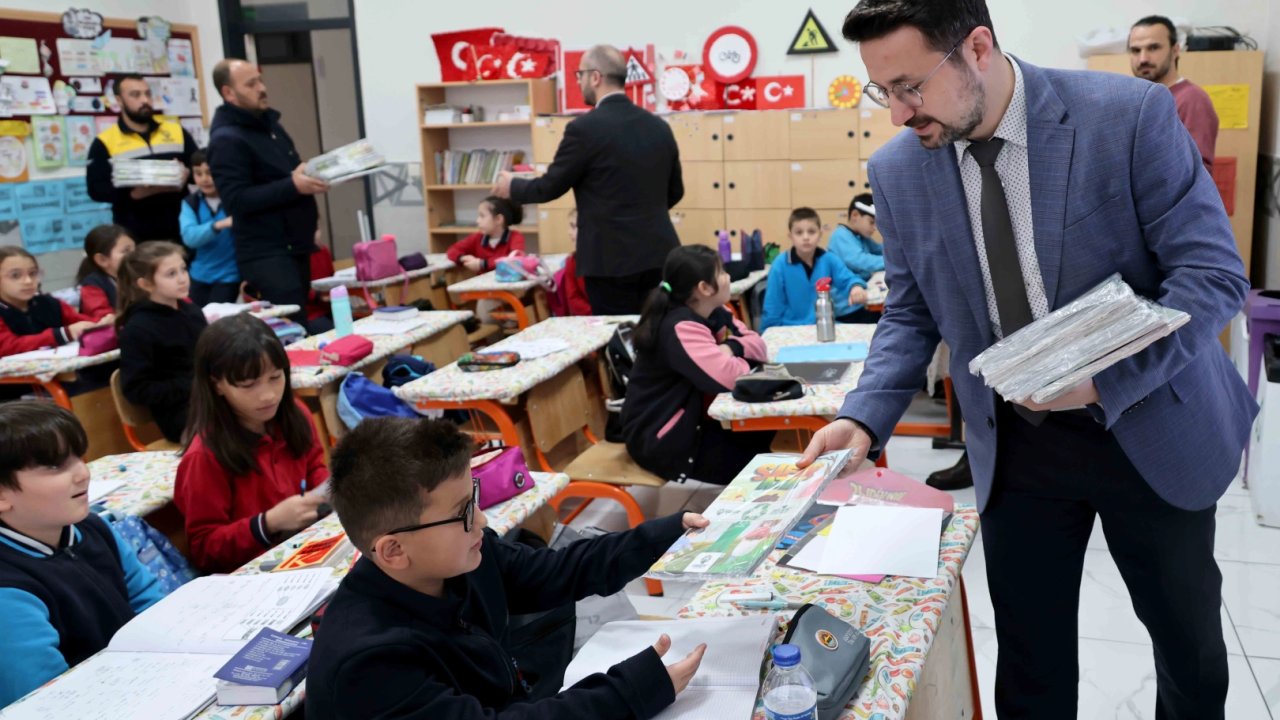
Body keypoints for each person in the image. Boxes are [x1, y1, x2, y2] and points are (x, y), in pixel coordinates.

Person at [799, 2, 1254, 717]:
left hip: (1148, 425)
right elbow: (913, 311)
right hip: (1019, 447)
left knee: (1187, 648)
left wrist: (1104, 380)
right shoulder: (899, 170)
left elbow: (1212, 276)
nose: (896, 114)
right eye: (882, 91)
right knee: (1032, 664)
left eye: (911, 87)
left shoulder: (1123, 117)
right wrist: (864, 418)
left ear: (977, 48)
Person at [306, 416, 710, 720]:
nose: (481, 520)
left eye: (474, 497)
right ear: (393, 550)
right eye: (463, 512)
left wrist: (665, 535)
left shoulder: (461, 561)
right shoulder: (370, 664)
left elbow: (559, 570)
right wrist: (631, 691)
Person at [493, 45, 683, 315]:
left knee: (618, 340)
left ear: (595, 77)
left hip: (609, 261)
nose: (579, 82)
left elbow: (549, 187)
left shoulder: (583, 129)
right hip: (659, 254)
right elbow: (676, 191)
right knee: (658, 336)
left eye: (579, 75)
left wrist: (512, 185)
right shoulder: (659, 127)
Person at [0, 403, 165, 706]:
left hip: (141, 683)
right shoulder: (8, 590)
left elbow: (149, 602)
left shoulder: (91, 527)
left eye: (79, 457)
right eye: (55, 466)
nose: (82, 473)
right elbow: (47, 701)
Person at [175, 314, 328, 572]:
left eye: (275, 377)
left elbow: (314, 466)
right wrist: (268, 523)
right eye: (249, 385)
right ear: (217, 386)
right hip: (252, 576)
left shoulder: (296, 414)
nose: (268, 395)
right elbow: (204, 549)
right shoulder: (204, 456)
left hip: (304, 549)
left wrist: (324, 493)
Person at [622, 245, 773, 485]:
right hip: (663, 439)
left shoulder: (716, 310)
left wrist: (731, 349)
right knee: (762, 465)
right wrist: (737, 357)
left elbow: (758, 346)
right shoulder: (680, 326)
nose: (728, 277)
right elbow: (731, 377)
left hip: (696, 422)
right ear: (704, 288)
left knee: (769, 431)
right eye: (721, 272)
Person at [206, 59, 328, 323]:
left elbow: (286, 175)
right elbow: (237, 199)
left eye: (260, 80)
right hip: (267, 252)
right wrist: (293, 184)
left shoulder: (269, 125)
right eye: (251, 84)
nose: (262, 88)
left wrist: (307, 175)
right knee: (290, 329)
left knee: (300, 322)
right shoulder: (226, 139)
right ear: (229, 93)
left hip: (295, 244)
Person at [86, 74, 198, 242]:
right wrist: (134, 194)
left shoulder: (176, 131)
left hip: (181, 227)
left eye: (147, 94)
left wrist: (187, 175)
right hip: (136, 233)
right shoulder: (104, 142)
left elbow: (200, 167)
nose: (145, 100)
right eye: (135, 95)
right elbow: (96, 190)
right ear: (119, 100)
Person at [116, 242, 208, 444]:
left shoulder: (192, 312)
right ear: (146, 284)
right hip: (182, 417)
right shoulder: (138, 329)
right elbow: (136, 389)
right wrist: (194, 384)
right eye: (171, 274)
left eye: (183, 270)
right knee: (242, 426)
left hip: (212, 402)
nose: (182, 278)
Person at [1129, 15, 1219, 173]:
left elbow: (1196, 172)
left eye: (1153, 48)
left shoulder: (1192, 99)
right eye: (1136, 50)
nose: (1143, 59)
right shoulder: (1138, 101)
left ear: (1175, 50)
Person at [759, 208, 869, 331]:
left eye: (811, 232)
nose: (806, 237)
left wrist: (855, 287)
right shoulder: (779, 265)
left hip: (824, 326)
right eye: (799, 232)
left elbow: (848, 278)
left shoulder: (829, 259)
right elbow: (772, 307)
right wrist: (769, 333)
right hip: (791, 329)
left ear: (820, 235)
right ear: (790, 236)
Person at [0, 247, 103, 358]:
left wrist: (102, 323)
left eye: (33, 273)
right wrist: (61, 334)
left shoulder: (49, 303)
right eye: (15, 275)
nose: (28, 281)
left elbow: (82, 322)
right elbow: (8, 346)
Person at [181, 150, 241, 306]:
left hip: (229, 276)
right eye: (198, 174)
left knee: (216, 322)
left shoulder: (234, 199)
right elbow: (190, 237)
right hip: (198, 275)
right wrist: (218, 225)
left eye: (209, 173)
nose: (204, 179)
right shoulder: (190, 203)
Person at [444, 196, 526, 273]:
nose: (477, 221)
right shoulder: (477, 237)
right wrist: (462, 258)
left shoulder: (515, 236)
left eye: (482, 216)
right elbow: (452, 250)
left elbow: (515, 259)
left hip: (508, 285)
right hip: (482, 287)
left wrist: (482, 264)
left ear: (498, 219)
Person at [75, 224, 136, 322]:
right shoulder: (92, 285)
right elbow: (103, 317)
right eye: (126, 250)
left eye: (135, 248)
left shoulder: (138, 277)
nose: (135, 254)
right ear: (102, 260)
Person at [827, 193, 885, 285]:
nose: (875, 228)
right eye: (871, 222)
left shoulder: (861, 236)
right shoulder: (840, 235)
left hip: (861, 285)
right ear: (855, 215)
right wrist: (890, 262)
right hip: (845, 290)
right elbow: (860, 261)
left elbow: (879, 249)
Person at [549, 209, 593, 317]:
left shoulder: (606, 259)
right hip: (587, 319)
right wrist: (594, 313)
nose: (569, 232)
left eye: (573, 226)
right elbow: (573, 298)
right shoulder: (572, 261)